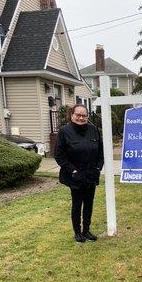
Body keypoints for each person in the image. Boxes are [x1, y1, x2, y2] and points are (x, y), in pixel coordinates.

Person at [54, 104, 104, 243]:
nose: (81, 118)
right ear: (72, 115)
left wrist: (98, 168)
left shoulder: (94, 130)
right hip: (75, 176)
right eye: (78, 115)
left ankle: (86, 231)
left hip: (91, 174)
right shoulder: (64, 131)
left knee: (89, 204)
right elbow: (59, 156)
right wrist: (73, 170)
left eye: (84, 115)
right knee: (77, 204)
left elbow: (101, 152)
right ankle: (77, 232)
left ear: (87, 116)